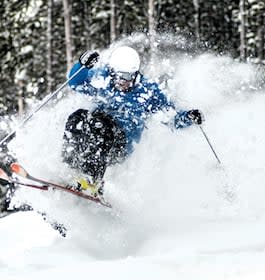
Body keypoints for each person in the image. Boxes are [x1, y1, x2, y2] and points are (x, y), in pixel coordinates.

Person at [62, 46, 204, 197]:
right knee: (78, 117)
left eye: (128, 76)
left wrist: (188, 117)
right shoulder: (103, 79)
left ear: (135, 74)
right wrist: (83, 66)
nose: (122, 81)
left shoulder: (147, 91)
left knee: (101, 126)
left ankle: (92, 180)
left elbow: (170, 118)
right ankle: (69, 167)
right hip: (96, 130)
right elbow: (74, 83)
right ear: (111, 72)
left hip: (120, 143)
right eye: (118, 75)